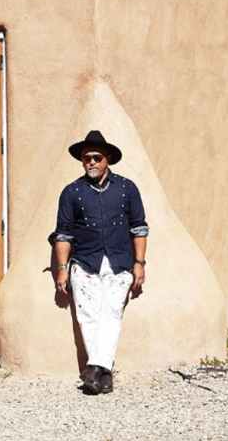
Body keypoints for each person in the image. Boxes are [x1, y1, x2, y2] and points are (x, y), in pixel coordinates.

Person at [50, 130, 148, 394]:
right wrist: (61, 269)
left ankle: (93, 369)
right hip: (84, 262)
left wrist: (140, 262)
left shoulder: (127, 189)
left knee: (112, 313)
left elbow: (139, 228)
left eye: (96, 157)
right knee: (87, 316)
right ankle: (103, 377)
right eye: (86, 158)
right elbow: (63, 234)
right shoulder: (72, 192)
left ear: (108, 159)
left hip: (119, 263)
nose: (91, 162)